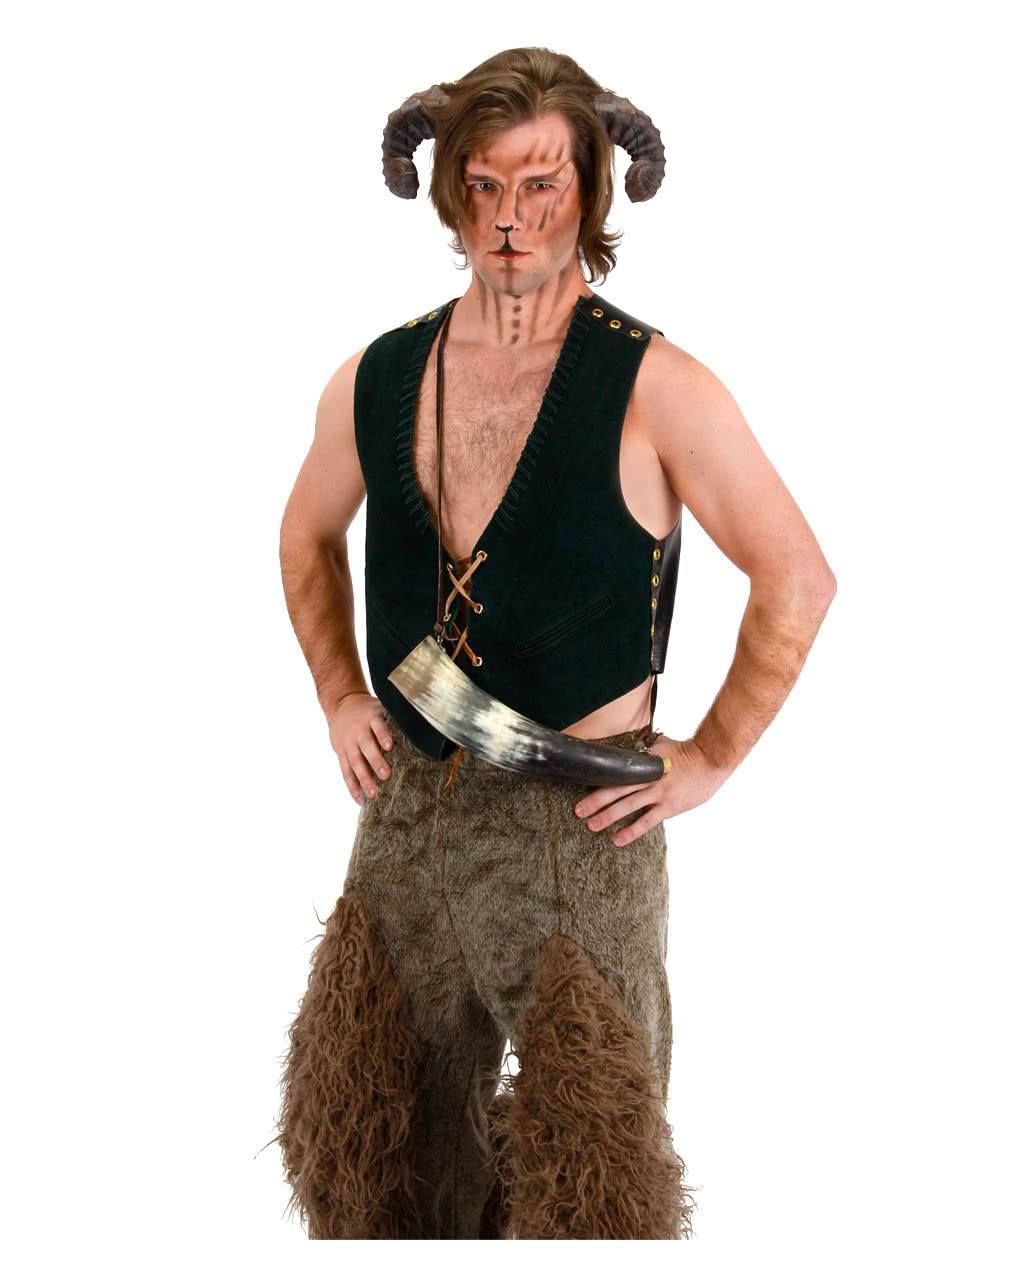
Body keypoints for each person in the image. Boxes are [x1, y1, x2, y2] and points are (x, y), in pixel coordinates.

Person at [271, 47, 836, 1240]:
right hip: (407, 816)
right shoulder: (376, 375)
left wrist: (709, 754)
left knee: (594, 1190)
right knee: (380, 1168)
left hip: (581, 826)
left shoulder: (659, 386)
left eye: (541, 185)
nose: (509, 218)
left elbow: (796, 575)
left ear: (591, 187)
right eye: (482, 186)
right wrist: (338, 692)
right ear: (448, 193)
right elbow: (304, 535)